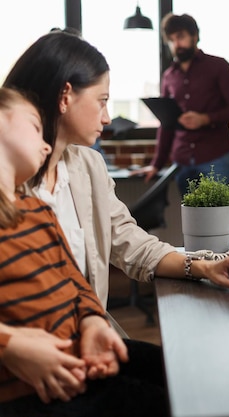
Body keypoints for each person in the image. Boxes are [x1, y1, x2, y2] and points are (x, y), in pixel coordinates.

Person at [3, 29, 229, 314]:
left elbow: (133, 244)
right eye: (102, 101)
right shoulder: (11, 184)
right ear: (65, 96)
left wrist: (205, 267)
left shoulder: (89, 166)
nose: (106, 117)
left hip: (91, 334)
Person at [0, 86, 166, 416]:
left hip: (83, 362)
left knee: (178, 375)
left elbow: (76, 283)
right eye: (35, 126)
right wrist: (11, 345)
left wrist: (91, 322)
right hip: (30, 390)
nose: (46, 144)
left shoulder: (37, 211)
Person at [139, 13, 229, 195]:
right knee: (190, 221)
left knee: (217, 219)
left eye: (180, 37)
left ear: (195, 36)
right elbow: (166, 123)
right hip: (182, 159)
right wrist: (156, 164)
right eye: (171, 40)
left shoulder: (219, 66)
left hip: (215, 156)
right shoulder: (169, 76)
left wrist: (205, 119)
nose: (176, 44)